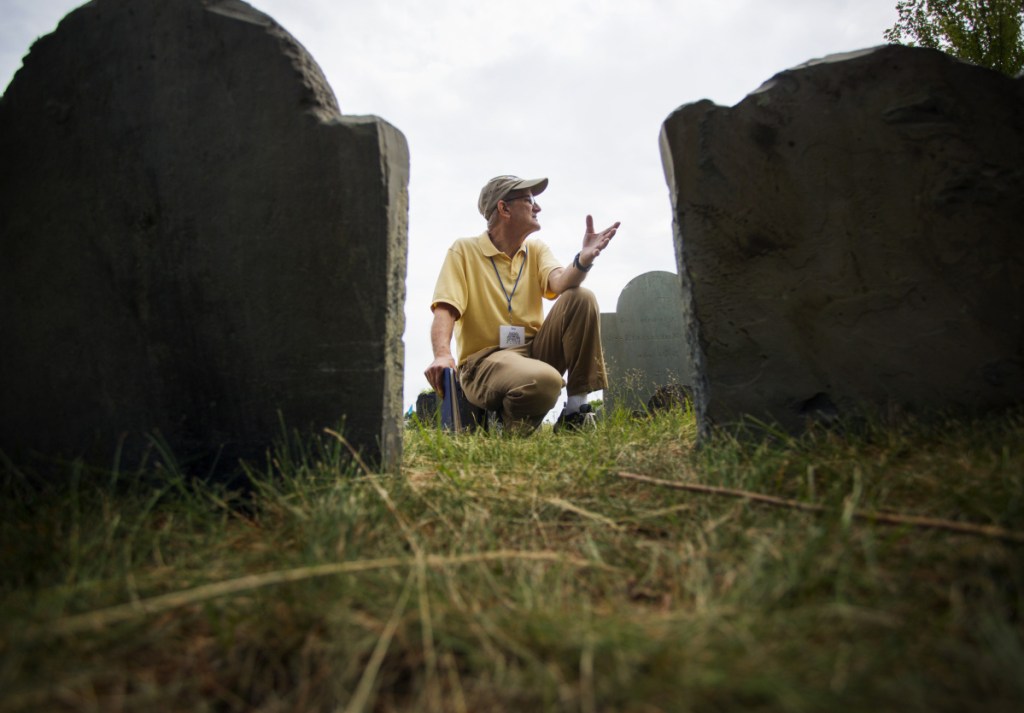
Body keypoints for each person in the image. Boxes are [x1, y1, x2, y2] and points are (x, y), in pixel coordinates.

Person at [424, 175, 620, 433]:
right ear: (504, 208)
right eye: (529, 201)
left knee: (581, 297)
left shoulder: (536, 250)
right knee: (545, 380)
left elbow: (561, 282)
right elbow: (446, 308)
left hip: (534, 352)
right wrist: (441, 353)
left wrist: (583, 260)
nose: (537, 208)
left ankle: (575, 412)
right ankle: (505, 423)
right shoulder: (464, 250)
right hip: (484, 362)